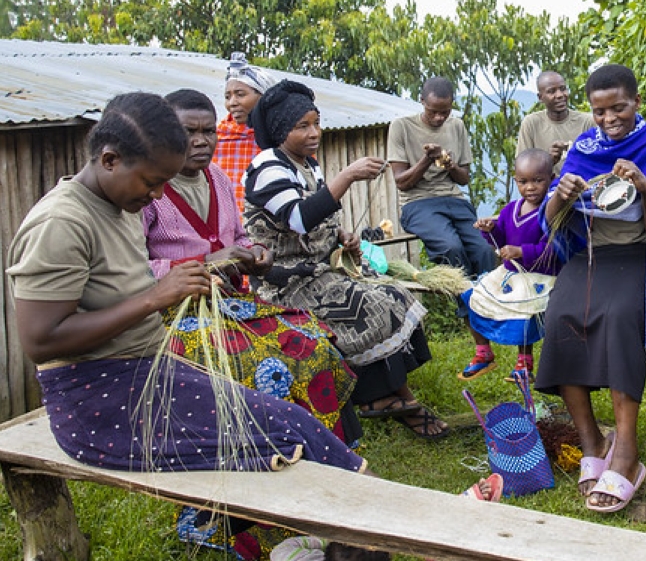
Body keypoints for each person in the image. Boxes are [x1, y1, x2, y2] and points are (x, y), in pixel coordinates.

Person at [6, 92, 367, 474]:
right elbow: (40, 341)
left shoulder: (122, 202)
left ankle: (356, 517)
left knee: (293, 422)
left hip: (146, 369)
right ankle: (365, 523)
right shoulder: (62, 223)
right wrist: (154, 298)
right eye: (152, 181)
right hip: (100, 400)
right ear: (109, 160)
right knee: (286, 434)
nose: (157, 194)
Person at [536, 64, 646, 513]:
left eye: (619, 107)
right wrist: (564, 192)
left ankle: (629, 454)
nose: (609, 118)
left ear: (636, 103)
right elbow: (551, 217)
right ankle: (593, 440)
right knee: (560, 317)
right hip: (593, 255)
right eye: (599, 110)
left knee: (616, 318)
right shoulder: (583, 148)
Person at [243, 80, 446, 439]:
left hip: (317, 273)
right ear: (278, 130)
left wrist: (341, 236)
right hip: (285, 284)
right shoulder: (267, 167)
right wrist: (348, 175)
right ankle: (383, 400)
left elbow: (321, 217)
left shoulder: (308, 165)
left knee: (395, 296)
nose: (314, 133)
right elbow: (299, 218)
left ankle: (391, 398)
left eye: (316, 123)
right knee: (370, 307)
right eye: (301, 126)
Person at [461, 148, 560, 380]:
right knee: (472, 297)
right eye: (523, 182)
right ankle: (483, 352)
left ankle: (524, 363)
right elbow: (501, 241)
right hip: (509, 273)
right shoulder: (510, 210)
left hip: (537, 275)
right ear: (516, 180)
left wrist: (520, 251)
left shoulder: (552, 212)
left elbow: (553, 250)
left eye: (538, 181)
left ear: (551, 179)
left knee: (523, 314)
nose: (530, 187)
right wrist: (491, 230)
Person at [387, 76, 495, 279]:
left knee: (484, 249)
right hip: (417, 203)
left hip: (454, 200)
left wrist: (449, 164)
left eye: (445, 112)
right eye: (432, 112)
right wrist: (427, 159)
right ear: (422, 102)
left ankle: (488, 302)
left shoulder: (456, 126)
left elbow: (463, 179)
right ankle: (467, 303)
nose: (439, 117)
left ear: (452, 105)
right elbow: (401, 182)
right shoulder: (401, 126)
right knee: (450, 248)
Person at [214, 52, 277, 212]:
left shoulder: (284, 138)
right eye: (227, 97)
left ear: (264, 97)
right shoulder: (215, 139)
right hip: (225, 229)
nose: (232, 103)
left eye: (240, 94)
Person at [516, 70, 594, 174]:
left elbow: (597, 162)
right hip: (547, 188)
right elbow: (523, 169)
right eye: (552, 91)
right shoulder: (531, 123)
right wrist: (548, 161)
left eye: (563, 89)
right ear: (540, 98)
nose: (560, 95)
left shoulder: (587, 122)